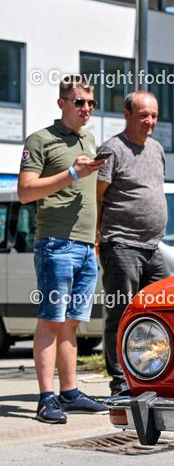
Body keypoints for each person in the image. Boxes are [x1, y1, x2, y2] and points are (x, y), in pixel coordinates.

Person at [17, 75, 108, 423]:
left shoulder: (89, 139)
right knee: (50, 321)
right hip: (56, 244)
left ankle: (69, 393)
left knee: (71, 323)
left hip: (86, 246)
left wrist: (96, 237)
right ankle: (45, 399)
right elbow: (26, 192)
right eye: (79, 102)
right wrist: (72, 172)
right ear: (62, 104)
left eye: (90, 103)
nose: (86, 109)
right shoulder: (39, 140)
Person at [95, 91, 170, 396]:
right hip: (122, 245)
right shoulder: (112, 150)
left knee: (164, 309)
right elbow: (95, 197)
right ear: (127, 115)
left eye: (153, 115)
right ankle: (121, 382)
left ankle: (152, 374)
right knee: (121, 312)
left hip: (153, 247)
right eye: (142, 115)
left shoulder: (156, 149)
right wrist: (100, 236)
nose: (149, 121)